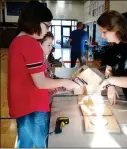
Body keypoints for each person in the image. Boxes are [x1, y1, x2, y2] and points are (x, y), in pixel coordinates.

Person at [8, 1, 79, 148]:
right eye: (47, 25)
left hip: (24, 106)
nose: (48, 30)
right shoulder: (30, 43)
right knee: (43, 145)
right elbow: (40, 82)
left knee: (25, 144)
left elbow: (30, 79)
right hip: (33, 108)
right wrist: (65, 82)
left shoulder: (18, 41)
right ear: (35, 21)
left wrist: (55, 87)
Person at [97, 10, 127, 111]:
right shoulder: (113, 48)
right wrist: (110, 85)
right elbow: (108, 70)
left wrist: (109, 80)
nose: (102, 35)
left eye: (104, 32)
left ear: (115, 29)